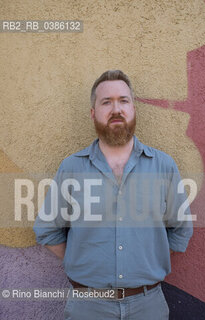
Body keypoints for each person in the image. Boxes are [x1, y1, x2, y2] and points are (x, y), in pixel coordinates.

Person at [33, 70, 193, 320]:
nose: (116, 109)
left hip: (148, 305)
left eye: (123, 100)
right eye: (106, 102)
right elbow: (47, 229)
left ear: (133, 109)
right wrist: (80, 259)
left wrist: (150, 257)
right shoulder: (72, 168)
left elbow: (181, 229)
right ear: (93, 112)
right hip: (88, 306)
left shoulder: (163, 166)